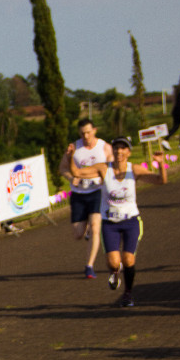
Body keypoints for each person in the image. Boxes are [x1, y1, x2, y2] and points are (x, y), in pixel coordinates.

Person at [67, 136, 167, 307]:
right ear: (112, 150)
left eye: (123, 148)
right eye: (116, 148)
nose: (119, 151)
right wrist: (70, 157)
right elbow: (77, 172)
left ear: (129, 152)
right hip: (110, 223)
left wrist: (161, 164)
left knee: (128, 260)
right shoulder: (103, 168)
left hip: (131, 221)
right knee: (114, 262)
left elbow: (161, 180)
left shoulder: (134, 170)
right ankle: (114, 272)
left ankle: (128, 294)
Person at [58, 119, 114, 279]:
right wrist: (71, 178)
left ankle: (89, 266)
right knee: (78, 234)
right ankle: (87, 229)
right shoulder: (74, 148)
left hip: (97, 192)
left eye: (88, 132)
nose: (86, 136)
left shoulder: (104, 147)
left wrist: (103, 178)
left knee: (96, 226)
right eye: (82, 133)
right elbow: (62, 168)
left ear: (94, 130)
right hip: (79, 194)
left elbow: (111, 168)